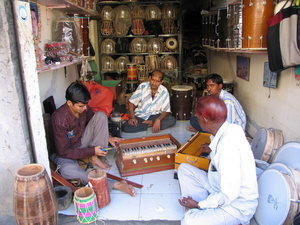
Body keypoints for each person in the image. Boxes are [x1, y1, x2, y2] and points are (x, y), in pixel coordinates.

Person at [178, 95, 258, 225]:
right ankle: (206, 207)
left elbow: (229, 195)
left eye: (197, 117)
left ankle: (202, 208)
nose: (196, 119)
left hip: (235, 207)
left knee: (188, 221)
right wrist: (211, 148)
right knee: (184, 169)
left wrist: (199, 204)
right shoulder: (231, 128)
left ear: (205, 120)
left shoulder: (227, 149)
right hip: (217, 187)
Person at [49, 81, 135, 196]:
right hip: (65, 152)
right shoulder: (59, 120)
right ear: (69, 103)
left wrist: (108, 137)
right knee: (67, 171)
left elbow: (95, 122)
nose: (85, 108)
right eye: (81, 106)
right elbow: (63, 152)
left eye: (85, 105)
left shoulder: (84, 108)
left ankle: (94, 158)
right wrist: (92, 150)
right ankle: (115, 184)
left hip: (80, 141)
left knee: (100, 115)